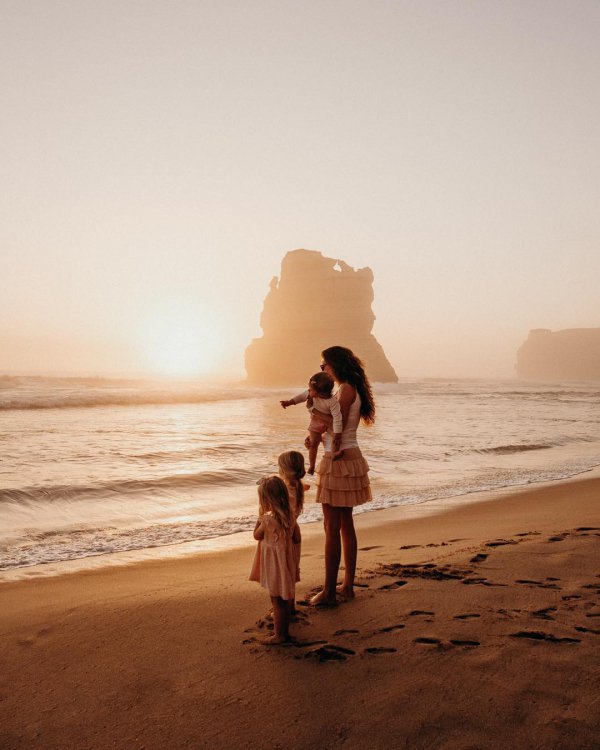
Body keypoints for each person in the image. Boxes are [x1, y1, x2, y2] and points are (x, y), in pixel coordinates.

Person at [309, 346, 375, 607]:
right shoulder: (346, 388)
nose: (322, 368)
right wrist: (315, 435)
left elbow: (336, 424)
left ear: (335, 364)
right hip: (347, 455)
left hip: (339, 458)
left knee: (331, 526)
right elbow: (335, 425)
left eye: (324, 364)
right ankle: (346, 587)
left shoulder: (345, 389)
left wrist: (312, 408)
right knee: (345, 524)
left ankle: (329, 592)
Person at [249, 475, 301, 644]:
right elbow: (297, 538)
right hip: (286, 564)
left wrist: (259, 520)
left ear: (266, 500)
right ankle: (284, 631)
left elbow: (256, 536)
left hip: (274, 566)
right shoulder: (291, 517)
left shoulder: (267, 520)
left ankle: (280, 635)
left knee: (276, 600)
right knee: (284, 600)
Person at [280, 372, 343, 474]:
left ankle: (334, 453)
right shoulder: (311, 394)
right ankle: (312, 466)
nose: (309, 390)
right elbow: (300, 397)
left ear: (321, 393)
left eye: (311, 389)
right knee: (313, 444)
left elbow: (337, 417)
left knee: (336, 439)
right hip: (315, 421)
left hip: (327, 422)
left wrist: (338, 434)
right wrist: (289, 402)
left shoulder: (332, 402)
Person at [277, 450, 309, 615]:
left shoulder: (287, 490)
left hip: (284, 537)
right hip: (293, 533)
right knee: (290, 570)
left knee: (284, 572)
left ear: (285, 470)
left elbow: (283, 514)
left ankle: (285, 609)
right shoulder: (297, 485)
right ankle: (291, 606)